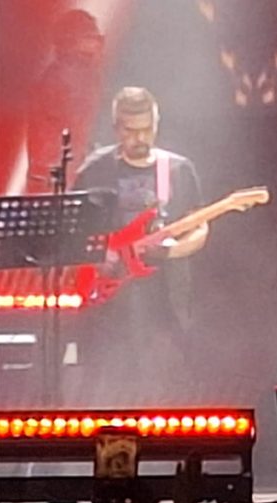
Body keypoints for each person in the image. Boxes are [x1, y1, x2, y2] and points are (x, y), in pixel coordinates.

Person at [70, 86, 208, 404]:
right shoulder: (95, 170)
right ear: (116, 128)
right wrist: (98, 255)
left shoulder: (176, 170)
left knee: (165, 389)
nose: (140, 138)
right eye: (131, 131)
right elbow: (73, 229)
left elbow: (200, 227)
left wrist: (173, 251)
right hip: (106, 304)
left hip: (165, 300)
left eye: (147, 129)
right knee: (104, 389)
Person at [27, 9, 105, 192]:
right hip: (56, 178)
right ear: (70, 42)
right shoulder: (64, 78)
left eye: (98, 39)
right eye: (89, 38)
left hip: (63, 174)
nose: (97, 45)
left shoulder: (84, 76)